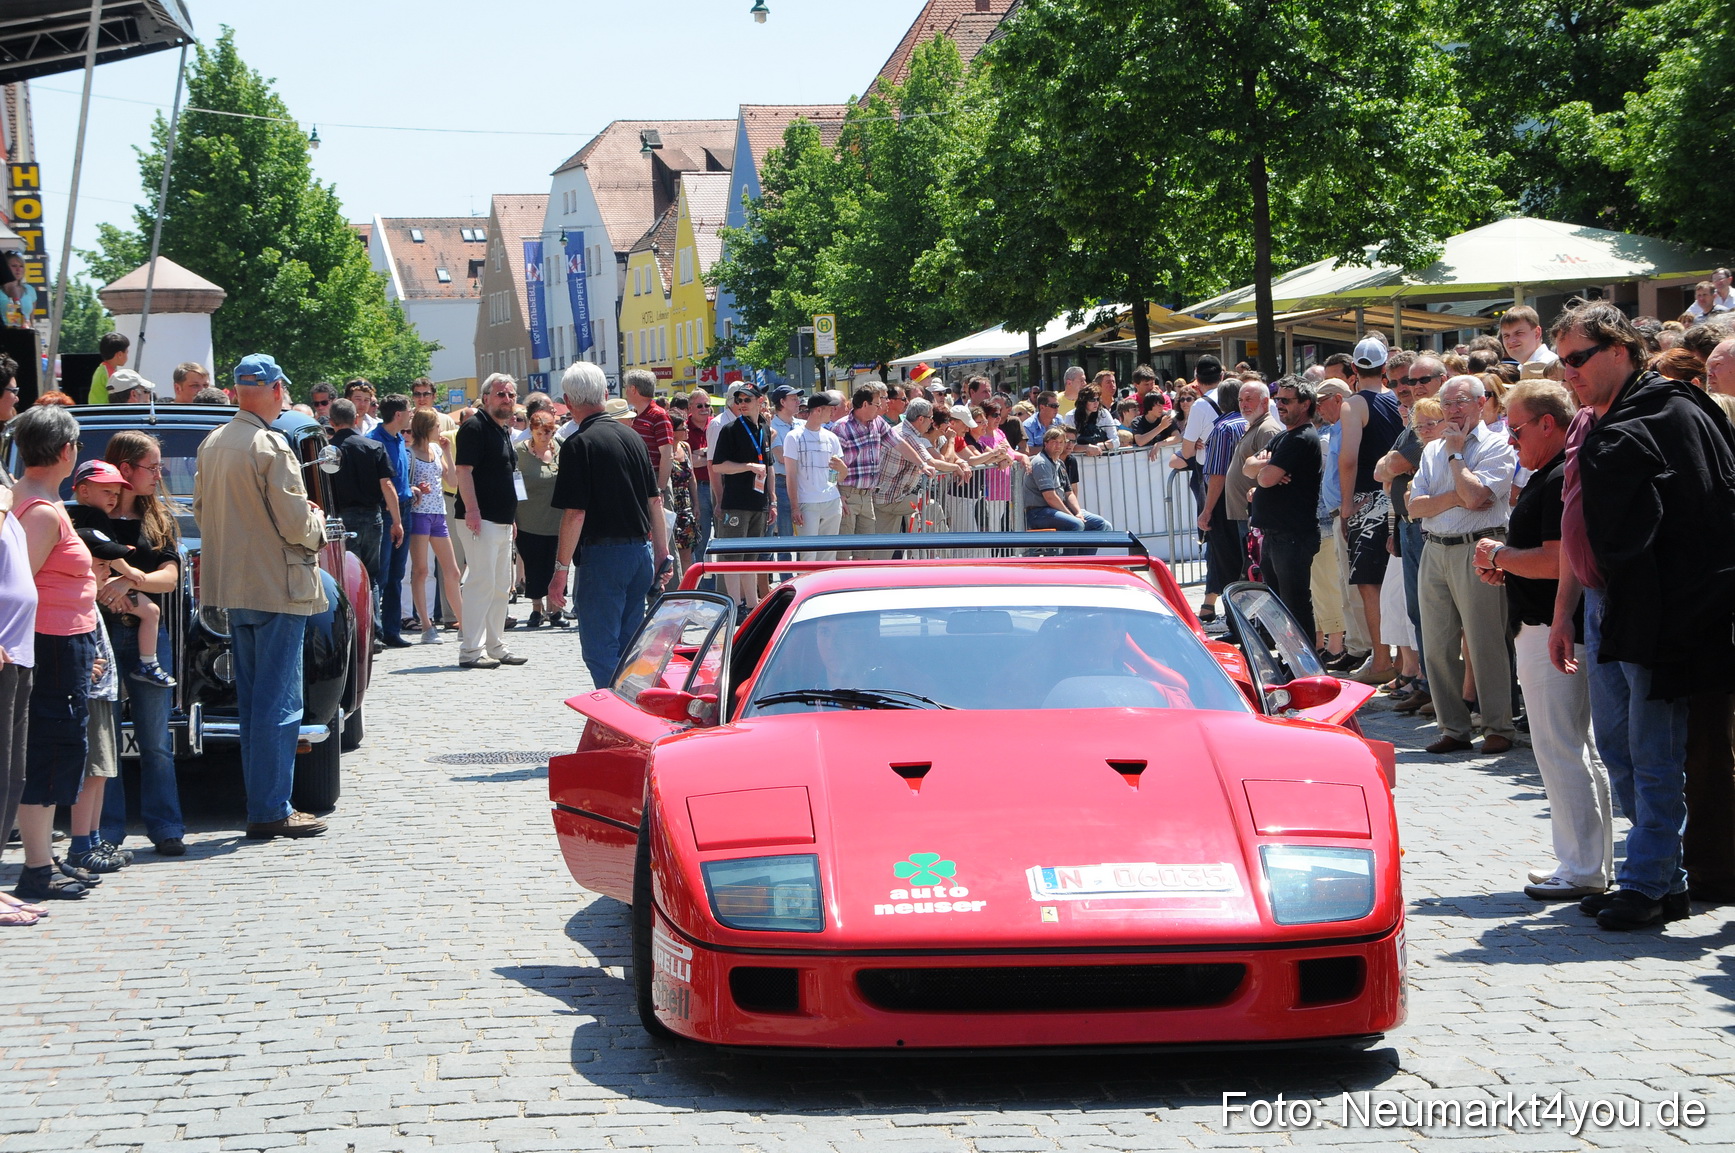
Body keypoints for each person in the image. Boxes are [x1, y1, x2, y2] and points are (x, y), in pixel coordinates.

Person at [1550, 301, 1735, 929]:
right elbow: (1581, 526)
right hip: (1610, 604)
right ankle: (1662, 874)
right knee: (1620, 751)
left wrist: (1679, 613)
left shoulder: (1673, 409)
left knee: (1653, 750)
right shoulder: (1604, 416)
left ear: (1620, 351)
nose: (1568, 372)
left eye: (1579, 359)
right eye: (1563, 361)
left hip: (1660, 609)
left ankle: (1648, 879)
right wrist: (1566, 613)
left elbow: (1704, 516)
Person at [1473, 380, 1612, 901]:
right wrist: (1508, 565)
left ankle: (1582, 868)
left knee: (1561, 747)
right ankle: (1587, 862)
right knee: (1575, 746)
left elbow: (1560, 560)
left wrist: (1500, 558)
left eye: (1515, 429)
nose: (1510, 440)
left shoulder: (1557, 476)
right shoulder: (1550, 474)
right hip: (1547, 622)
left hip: (1553, 628)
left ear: (1547, 424)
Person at [193, 354, 331, 839]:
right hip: (277, 585)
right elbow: (296, 523)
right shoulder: (269, 444)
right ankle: (271, 807)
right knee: (279, 702)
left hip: (235, 588)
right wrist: (316, 523)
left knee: (254, 702)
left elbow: (203, 510)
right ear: (274, 390)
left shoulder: (213, 442)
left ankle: (264, 803)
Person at [9, 405, 101, 899]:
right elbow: (17, 586)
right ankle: (38, 869)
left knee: (48, 747)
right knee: (48, 749)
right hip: (50, 644)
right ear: (66, 451)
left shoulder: (31, 497)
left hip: (61, 640)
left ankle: (42, 862)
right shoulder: (40, 510)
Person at [1408, 374, 1519, 755]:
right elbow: (1414, 507)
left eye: (1461, 402)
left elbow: (1475, 498)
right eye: (1448, 403)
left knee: (1486, 641)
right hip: (1435, 548)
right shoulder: (1430, 450)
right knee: (1437, 645)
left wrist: (1457, 457)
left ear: (1481, 401)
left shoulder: (1498, 445)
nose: (1453, 411)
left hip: (1479, 549)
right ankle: (1453, 727)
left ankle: (1497, 725)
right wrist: (1457, 496)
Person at [547, 362, 671, 687]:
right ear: (604, 394)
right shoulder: (632, 437)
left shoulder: (578, 444)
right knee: (631, 649)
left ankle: (619, 721)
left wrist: (560, 571)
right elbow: (655, 501)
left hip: (604, 558)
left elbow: (575, 514)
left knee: (601, 651)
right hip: (639, 553)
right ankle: (636, 713)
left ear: (568, 400)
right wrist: (662, 554)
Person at [63, 461, 174, 688]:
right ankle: (149, 663)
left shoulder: (66, 514)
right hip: (99, 590)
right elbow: (108, 551)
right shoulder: (97, 518)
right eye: (107, 492)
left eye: (116, 493)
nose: (113, 498)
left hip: (81, 594)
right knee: (152, 611)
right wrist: (131, 574)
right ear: (84, 490)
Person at [1337, 337, 1405, 683]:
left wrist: (1347, 506)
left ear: (1353, 370)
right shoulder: (1397, 401)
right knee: (1396, 582)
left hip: (1368, 499)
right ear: (1384, 369)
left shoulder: (1353, 406)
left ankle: (1382, 660)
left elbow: (1348, 459)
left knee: (1369, 583)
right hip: (1398, 497)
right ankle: (1405, 662)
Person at [454, 373, 527, 670]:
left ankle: (497, 645)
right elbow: (464, 471)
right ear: (486, 398)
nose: (506, 399)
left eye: (510, 395)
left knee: (500, 587)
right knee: (480, 584)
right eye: (500, 394)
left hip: (500, 520)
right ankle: (471, 650)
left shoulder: (502, 429)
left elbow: (510, 477)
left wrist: (512, 518)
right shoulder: (475, 426)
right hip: (479, 520)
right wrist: (472, 510)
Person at [0, 482, 47, 918]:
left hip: (18, 651)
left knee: (12, 776)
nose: (14, 405)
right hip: (3, 650)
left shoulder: (7, 498)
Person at [1247, 378, 1322, 641]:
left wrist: (1265, 471)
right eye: (1277, 399)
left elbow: (1265, 478)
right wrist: (1263, 468)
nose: (1279, 405)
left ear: (1305, 404)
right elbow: (1248, 466)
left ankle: (1308, 668)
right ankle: (1289, 660)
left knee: (1295, 605)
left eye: (1286, 401)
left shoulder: (1301, 438)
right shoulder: (1284, 436)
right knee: (1279, 605)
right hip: (1274, 535)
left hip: (1292, 535)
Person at [326, 398, 396, 615]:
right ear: (356, 418)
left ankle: (353, 626)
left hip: (341, 518)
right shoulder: (374, 446)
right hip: (372, 516)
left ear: (331, 421)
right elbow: (387, 485)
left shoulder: (329, 451)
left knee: (347, 576)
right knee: (370, 576)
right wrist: (397, 521)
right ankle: (374, 629)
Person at [831, 386, 917, 558]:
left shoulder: (878, 423)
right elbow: (831, 464)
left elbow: (898, 443)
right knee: (842, 552)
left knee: (865, 551)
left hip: (867, 496)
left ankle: (860, 584)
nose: (880, 408)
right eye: (877, 404)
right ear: (864, 404)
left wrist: (922, 463)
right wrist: (836, 494)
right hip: (846, 494)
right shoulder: (841, 428)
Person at [405, 409, 462, 644]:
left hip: (438, 514)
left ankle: (463, 623)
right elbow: (405, 487)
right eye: (436, 425)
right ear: (427, 427)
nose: (440, 429)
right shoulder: (409, 454)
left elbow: (453, 481)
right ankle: (426, 626)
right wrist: (417, 488)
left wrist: (447, 453)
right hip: (419, 515)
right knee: (421, 570)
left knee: (453, 571)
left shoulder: (437, 449)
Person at [1196, 381, 1249, 624]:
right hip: (1245, 500)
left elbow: (1218, 474)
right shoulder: (1248, 423)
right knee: (1245, 563)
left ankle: (1235, 623)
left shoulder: (1223, 429)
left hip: (1225, 503)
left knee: (1228, 565)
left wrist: (1207, 510)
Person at [368, 394, 414, 648]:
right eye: (409, 410)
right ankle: (376, 631)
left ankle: (392, 630)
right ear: (398, 415)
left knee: (397, 573)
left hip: (405, 509)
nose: (411, 414)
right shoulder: (375, 440)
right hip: (387, 513)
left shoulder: (398, 439)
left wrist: (413, 489)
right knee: (382, 574)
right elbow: (382, 482)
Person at [783, 391, 847, 562]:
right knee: (808, 554)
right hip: (807, 502)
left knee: (829, 553)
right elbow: (791, 474)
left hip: (831, 501)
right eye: (830, 409)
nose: (833, 412)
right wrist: (795, 506)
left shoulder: (832, 437)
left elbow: (836, 475)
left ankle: (825, 588)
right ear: (818, 410)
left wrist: (842, 471)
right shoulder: (793, 437)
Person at [514, 410, 563, 629]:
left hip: (557, 520)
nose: (545, 437)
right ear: (532, 431)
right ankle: (536, 607)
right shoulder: (520, 453)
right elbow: (514, 486)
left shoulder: (561, 449)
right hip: (528, 519)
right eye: (540, 432)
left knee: (556, 564)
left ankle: (556, 609)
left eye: (549, 432)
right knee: (534, 565)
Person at [1023, 425, 1111, 539]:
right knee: (1076, 524)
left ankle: (1084, 557)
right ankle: (1069, 557)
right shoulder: (1041, 463)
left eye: (1061, 442)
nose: (1058, 446)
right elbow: (1050, 497)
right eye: (1054, 442)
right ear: (1046, 443)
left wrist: (1078, 512)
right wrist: (1071, 515)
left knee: (1102, 525)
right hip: (1039, 512)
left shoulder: (1059, 463)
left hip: (1056, 509)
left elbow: (1069, 493)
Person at [667, 411, 700, 579]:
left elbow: (692, 477)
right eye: (683, 427)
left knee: (686, 555)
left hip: (685, 506)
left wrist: (696, 504)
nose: (687, 429)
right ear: (672, 431)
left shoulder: (685, 447)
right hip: (670, 506)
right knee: (670, 554)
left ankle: (687, 592)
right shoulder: (665, 450)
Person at [87, 332, 129, 405]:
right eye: (127, 352)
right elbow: (119, 398)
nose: (127, 356)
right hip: (104, 412)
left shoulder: (101, 369)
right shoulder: (111, 375)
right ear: (119, 354)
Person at [2, 252, 36, 329]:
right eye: (14, 266)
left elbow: (31, 319)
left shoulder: (29, 290)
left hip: (22, 334)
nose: (18, 269)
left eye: (21, 266)